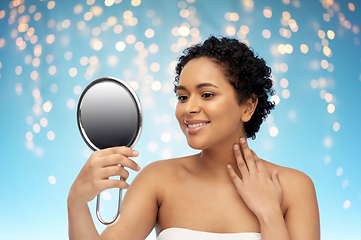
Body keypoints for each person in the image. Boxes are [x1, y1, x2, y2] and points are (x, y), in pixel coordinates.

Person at [68, 36, 320, 240]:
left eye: (207, 94)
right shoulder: (158, 180)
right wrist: (77, 202)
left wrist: (269, 215)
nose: (188, 108)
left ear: (248, 106)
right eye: (182, 96)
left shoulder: (293, 188)